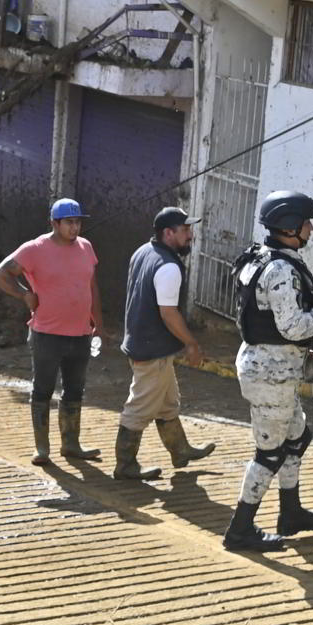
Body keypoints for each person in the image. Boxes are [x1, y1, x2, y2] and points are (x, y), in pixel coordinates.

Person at [225, 190, 313, 553]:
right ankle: (240, 529)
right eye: (306, 222)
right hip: (270, 372)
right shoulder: (280, 270)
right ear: (290, 227)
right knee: (269, 453)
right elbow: (291, 326)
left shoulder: (262, 257)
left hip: (274, 369)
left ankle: (291, 512)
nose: (310, 229)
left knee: (296, 439)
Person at [0, 199, 103, 466]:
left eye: (78, 222)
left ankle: (71, 444)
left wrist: (98, 323)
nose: (75, 228)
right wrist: (24, 294)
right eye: (69, 222)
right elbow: (0, 274)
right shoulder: (35, 249)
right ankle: (42, 447)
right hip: (47, 334)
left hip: (80, 333)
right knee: (43, 389)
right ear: (54, 223)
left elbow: (92, 287)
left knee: (75, 389)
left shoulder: (86, 247)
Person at [114, 206, 216, 481]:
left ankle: (180, 450)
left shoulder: (143, 251)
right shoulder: (169, 266)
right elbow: (168, 313)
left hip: (143, 341)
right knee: (140, 407)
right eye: (185, 230)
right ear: (167, 233)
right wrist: (192, 344)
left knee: (168, 401)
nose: (191, 235)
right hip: (152, 348)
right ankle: (125, 464)